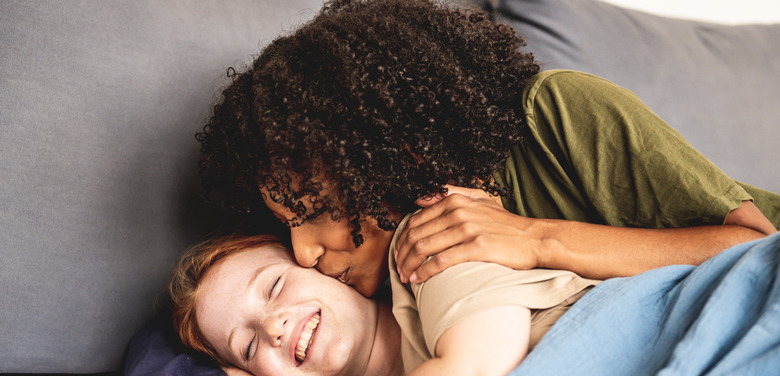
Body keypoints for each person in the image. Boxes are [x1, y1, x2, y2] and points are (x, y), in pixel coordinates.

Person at [197, 0, 779, 299]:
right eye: (287, 225)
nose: (301, 254)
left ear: (392, 147)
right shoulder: (382, 271)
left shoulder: (557, 112)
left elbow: (753, 247)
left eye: (317, 210)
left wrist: (534, 237)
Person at [168, 229, 600, 376]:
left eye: (275, 286)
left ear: (322, 265)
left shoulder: (426, 257)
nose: (271, 327)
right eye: (247, 347)